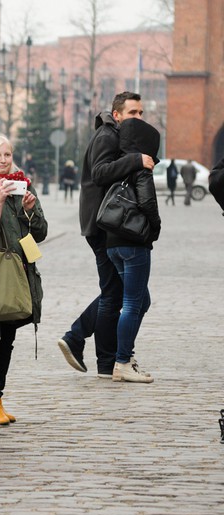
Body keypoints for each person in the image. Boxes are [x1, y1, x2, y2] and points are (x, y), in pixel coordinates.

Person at [58, 91, 153, 378]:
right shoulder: (108, 136)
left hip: (110, 224)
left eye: (141, 113)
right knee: (117, 295)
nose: (138, 117)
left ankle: (103, 359)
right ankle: (81, 338)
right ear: (117, 114)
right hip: (103, 225)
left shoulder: (118, 136)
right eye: (133, 113)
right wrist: (137, 160)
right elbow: (99, 173)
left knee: (114, 294)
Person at [0, 135, 47, 425]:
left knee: (8, 339)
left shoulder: (22, 184)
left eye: (7, 154)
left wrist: (29, 209)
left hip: (19, 272)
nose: (3, 160)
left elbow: (40, 233)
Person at [105, 118, 161, 383]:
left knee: (141, 301)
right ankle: (123, 361)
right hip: (134, 243)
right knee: (131, 303)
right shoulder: (141, 168)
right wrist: (155, 228)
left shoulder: (117, 166)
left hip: (112, 243)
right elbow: (148, 202)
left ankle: (123, 357)